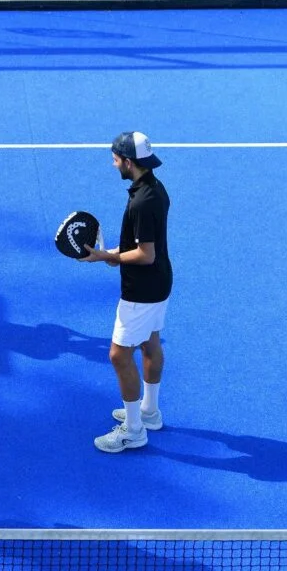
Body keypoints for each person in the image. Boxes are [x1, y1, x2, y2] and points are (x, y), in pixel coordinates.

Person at [80, 131, 172, 453]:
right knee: (150, 342)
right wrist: (116, 253)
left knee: (119, 355)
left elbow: (145, 254)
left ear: (129, 162)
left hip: (142, 291)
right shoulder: (153, 189)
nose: (113, 162)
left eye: (116, 158)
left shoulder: (143, 201)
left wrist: (109, 256)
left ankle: (133, 431)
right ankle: (149, 411)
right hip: (160, 283)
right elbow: (143, 247)